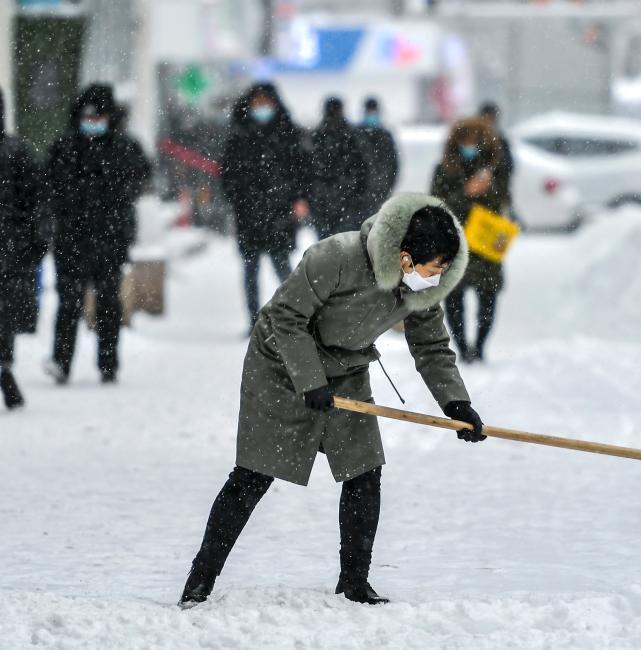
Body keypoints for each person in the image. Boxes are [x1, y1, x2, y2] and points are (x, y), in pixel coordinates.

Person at [178, 193, 485, 608]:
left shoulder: (421, 288)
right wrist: (309, 379)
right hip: (282, 362)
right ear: (406, 259)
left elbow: (431, 346)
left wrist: (455, 404)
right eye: (434, 270)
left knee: (364, 470)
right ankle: (200, 580)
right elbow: (286, 317)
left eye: (444, 271)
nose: (438, 279)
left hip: (345, 368)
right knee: (254, 473)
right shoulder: (335, 257)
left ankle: (354, 582)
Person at [44, 84, 151, 385]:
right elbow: (49, 189)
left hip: (110, 238)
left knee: (108, 302)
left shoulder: (125, 148)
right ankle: (61, 362)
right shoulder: (64, 148)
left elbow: (141, 176)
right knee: (69, 303)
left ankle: (108, 363)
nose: (93, 122)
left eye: (99, 116)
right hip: (72, 238)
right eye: (88, 116)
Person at [220, 83, 310, 331]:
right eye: (257, 103)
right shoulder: (239, 135)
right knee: (251, 270)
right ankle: (254, 321)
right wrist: (238, 199)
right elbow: (227, 174)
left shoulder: (287, 134)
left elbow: (301, 169)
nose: (261, 108)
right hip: (248, 214)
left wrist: (299, 199)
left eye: (265, 103)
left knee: (283, 268)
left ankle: (296, 317)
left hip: (279, 214)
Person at [430, 117, 512, 363]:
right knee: (454, 298)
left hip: (486, 243)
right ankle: (464, 348)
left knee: (488, 296)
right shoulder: (444, 169)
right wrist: (466, 194)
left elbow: (502, 203)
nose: (470, 146)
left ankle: (480, 346)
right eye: (465, 141)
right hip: (455, 242)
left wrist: (489, 189)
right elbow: (438, 205)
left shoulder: (496, 170)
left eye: (475, 142)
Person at [0, 87, 43, 409]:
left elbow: (37, 205)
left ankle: (4, 367)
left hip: (9, 252)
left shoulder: (16, 153)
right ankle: (4, 366)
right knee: (5, 318)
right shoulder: (18, 151)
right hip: (10, 252)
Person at [308, 97, 367, 238]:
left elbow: (308, 171)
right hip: (343, 202)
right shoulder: (352, 136)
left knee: (325, 246)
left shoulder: (317, 136)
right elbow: (362, 169)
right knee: (344, 246)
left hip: (326, 203)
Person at [352, 97, 399, 228]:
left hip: (378, 194)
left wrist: (386, 188)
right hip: (360, 197)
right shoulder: (357, 134)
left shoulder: (385, 135)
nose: (372, 115)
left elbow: (394, 166)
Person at [478, 101, 514, 187]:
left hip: (495, 188)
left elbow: (508, 164)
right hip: (476, 188)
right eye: (488, 116)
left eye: (493, 117)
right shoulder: (474, 137)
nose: (490, 120)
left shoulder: (500, 138)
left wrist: (491, 171)